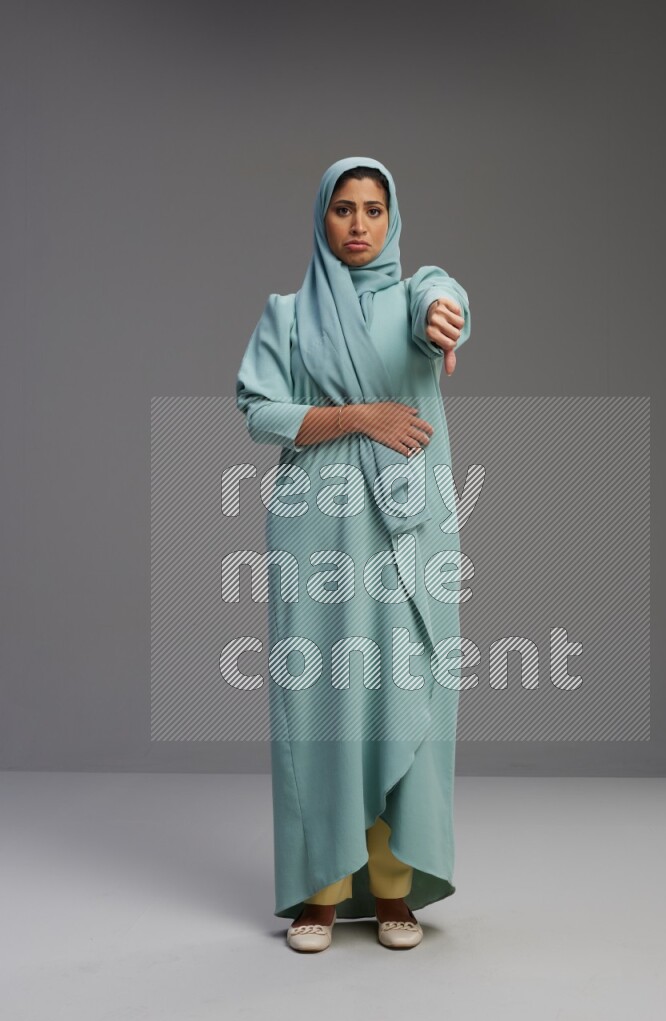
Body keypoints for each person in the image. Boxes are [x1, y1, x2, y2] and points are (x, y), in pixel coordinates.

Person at [235, 156, 471, 952]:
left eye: (375, 209)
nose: (361, 224)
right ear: (322, 218)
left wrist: (447, 311)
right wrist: (361, 417)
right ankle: (321, 892)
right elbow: (260, 412)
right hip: (318, 523)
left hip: (407, 529)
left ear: (392, 218)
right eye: (344, 209)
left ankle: (396, 887)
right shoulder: (288, 313)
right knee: (322, 701)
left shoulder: (412, 297)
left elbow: (443, 299)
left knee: (404, 691)